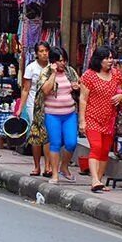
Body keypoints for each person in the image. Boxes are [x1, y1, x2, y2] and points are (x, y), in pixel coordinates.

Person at [78, 46, 122, 193]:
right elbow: (83, 99)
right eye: (107, 58)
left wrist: (121, 95)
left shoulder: (116, 74)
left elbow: (119, 89)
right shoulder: (89, 76)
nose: (110, 61)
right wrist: (82, 120)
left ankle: (99, 180)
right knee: (96, 147)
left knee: (105, 150)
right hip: (92, 116)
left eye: (111, 58)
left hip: (109, 118)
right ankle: (94, 180)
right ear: (99, 60)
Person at [41, 48, 80, 184]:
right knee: (55, 143)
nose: (63, 63)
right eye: (60, 60)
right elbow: (45, 90)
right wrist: (53, 73)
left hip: (69, 113)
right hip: (52, 113)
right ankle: (55, 174)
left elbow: (79, 85)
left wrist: (76, 87)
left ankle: (64, 166)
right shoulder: (46, 72)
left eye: (64, 60)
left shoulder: (70, 72)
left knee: (71, 142)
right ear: (53, 61)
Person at [16, 42, 52, 177]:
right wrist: (21, 107)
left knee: (48, 134)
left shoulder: (52, 67)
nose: (44, 54)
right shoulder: (31, 68)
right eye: (41, 51)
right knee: (37, 135)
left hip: (49, 104)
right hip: (33, 104)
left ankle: (48, 166)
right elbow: (26, 89)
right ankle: (37, 166)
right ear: (36, 53)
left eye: (46, 51)